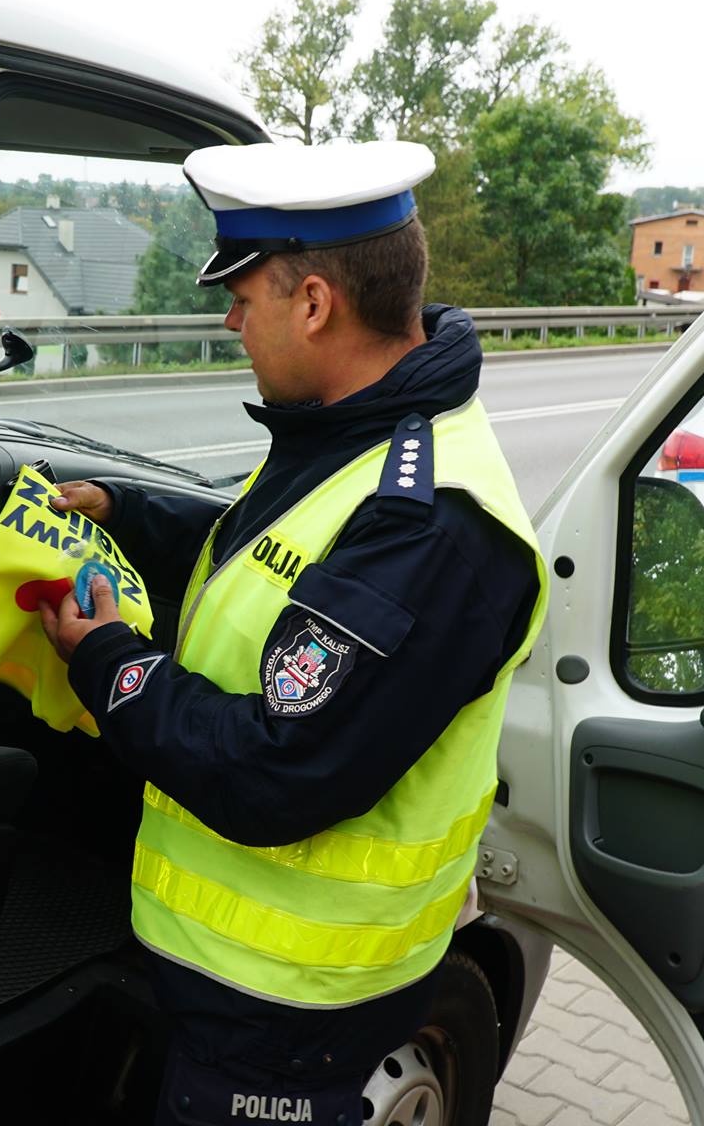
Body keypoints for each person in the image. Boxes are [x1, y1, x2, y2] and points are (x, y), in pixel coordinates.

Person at [36, 140, 548, 1126]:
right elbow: (270, 561)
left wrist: (105, 661)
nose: (229, 317)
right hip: (230, 971)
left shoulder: (430, 525)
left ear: (314, 303)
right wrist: (126, 511)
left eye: (244, 294)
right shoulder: (355, 430)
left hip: (290, 998)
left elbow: (276, 767)